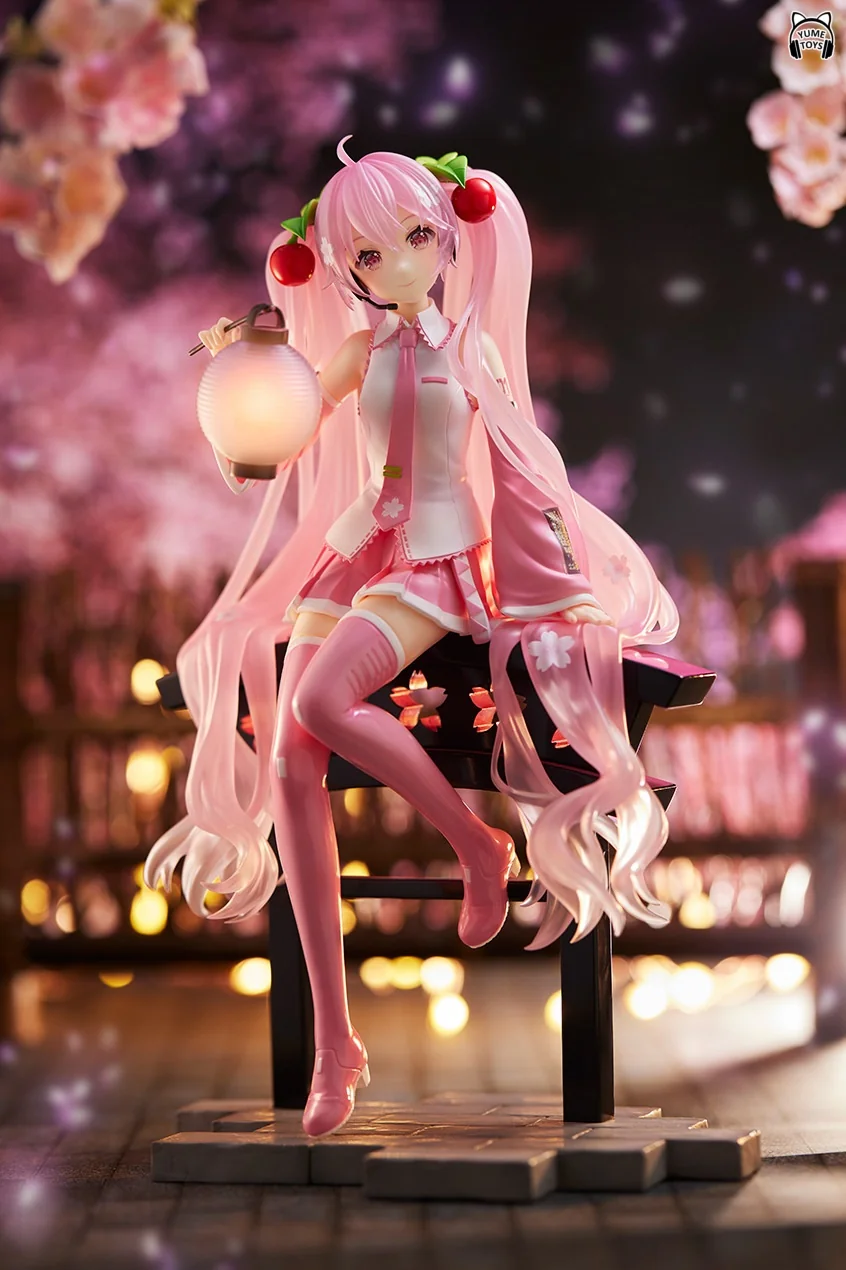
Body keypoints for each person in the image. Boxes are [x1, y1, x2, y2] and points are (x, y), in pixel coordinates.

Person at [145, 137, 679, 1137]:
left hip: (433, 562)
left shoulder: (468, 349)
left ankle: (476, 844)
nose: (390, 265)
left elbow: (523, 464)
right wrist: (240, 430)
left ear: (444, 239)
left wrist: (557, 578)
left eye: (411, 241)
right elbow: (289, 431)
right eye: (364, 255)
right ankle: (335, 1046)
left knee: (316, 701)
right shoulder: (361, 354)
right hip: (354, 555)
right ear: (344, 268)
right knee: (293, 761)